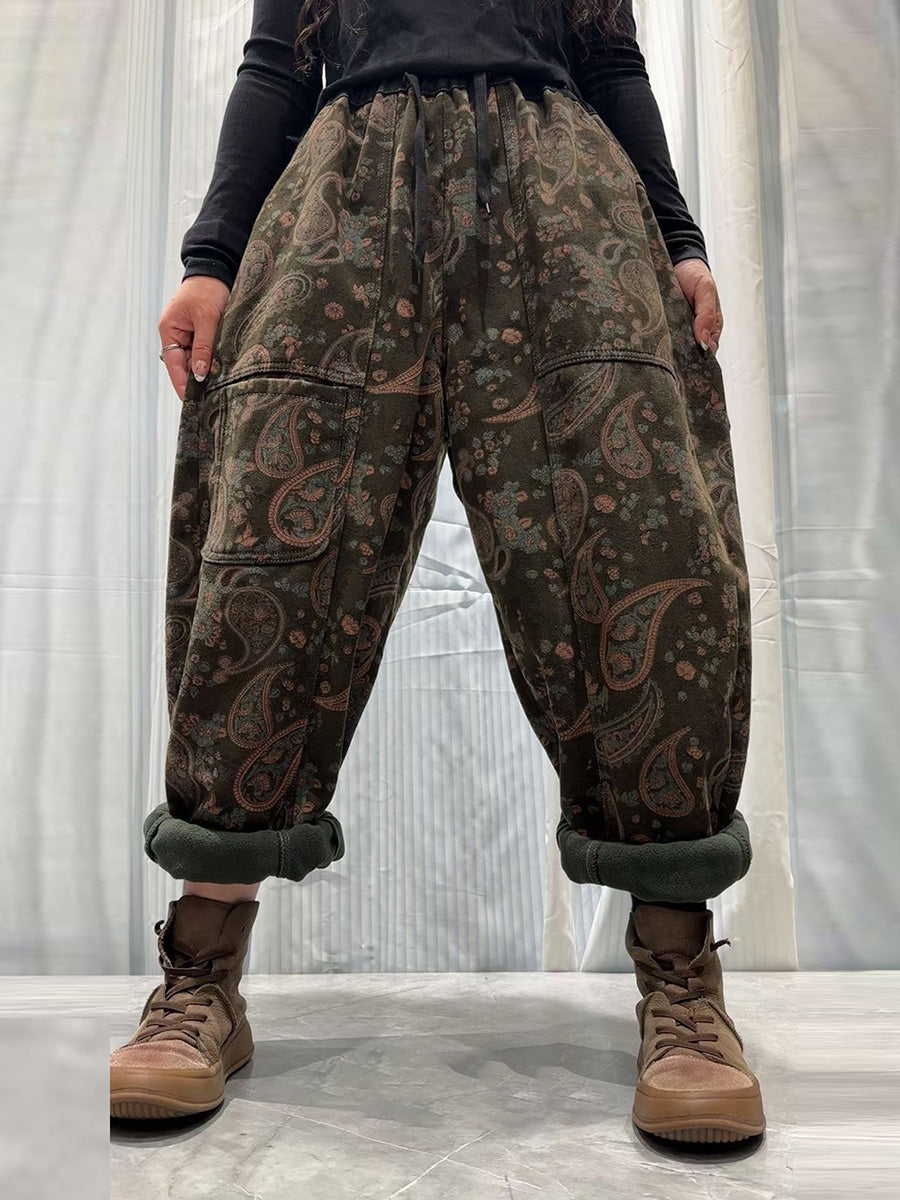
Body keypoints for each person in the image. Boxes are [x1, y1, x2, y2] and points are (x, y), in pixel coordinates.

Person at [111, 0, 763, 1145]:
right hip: (345, 192)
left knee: (635, 554)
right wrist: (210, 260)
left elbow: (610, 56)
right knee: (272, 558)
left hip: (565, 193)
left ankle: (681, 980)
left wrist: (681, 240)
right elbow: (276, 63)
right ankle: (201, 973)